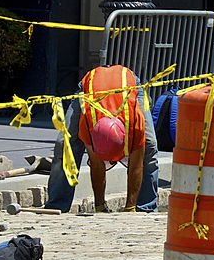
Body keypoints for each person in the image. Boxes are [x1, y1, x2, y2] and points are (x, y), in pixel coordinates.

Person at [45, 64, 159, 213]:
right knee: (65, 145)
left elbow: (136, 166)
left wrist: (129, 209)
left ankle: (146, 208)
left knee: (150, 147)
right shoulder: (90, 125)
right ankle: (57, 205)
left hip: (131, 86)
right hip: (88, 89)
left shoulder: (135, 125)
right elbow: (97, 165)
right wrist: (99, 207)